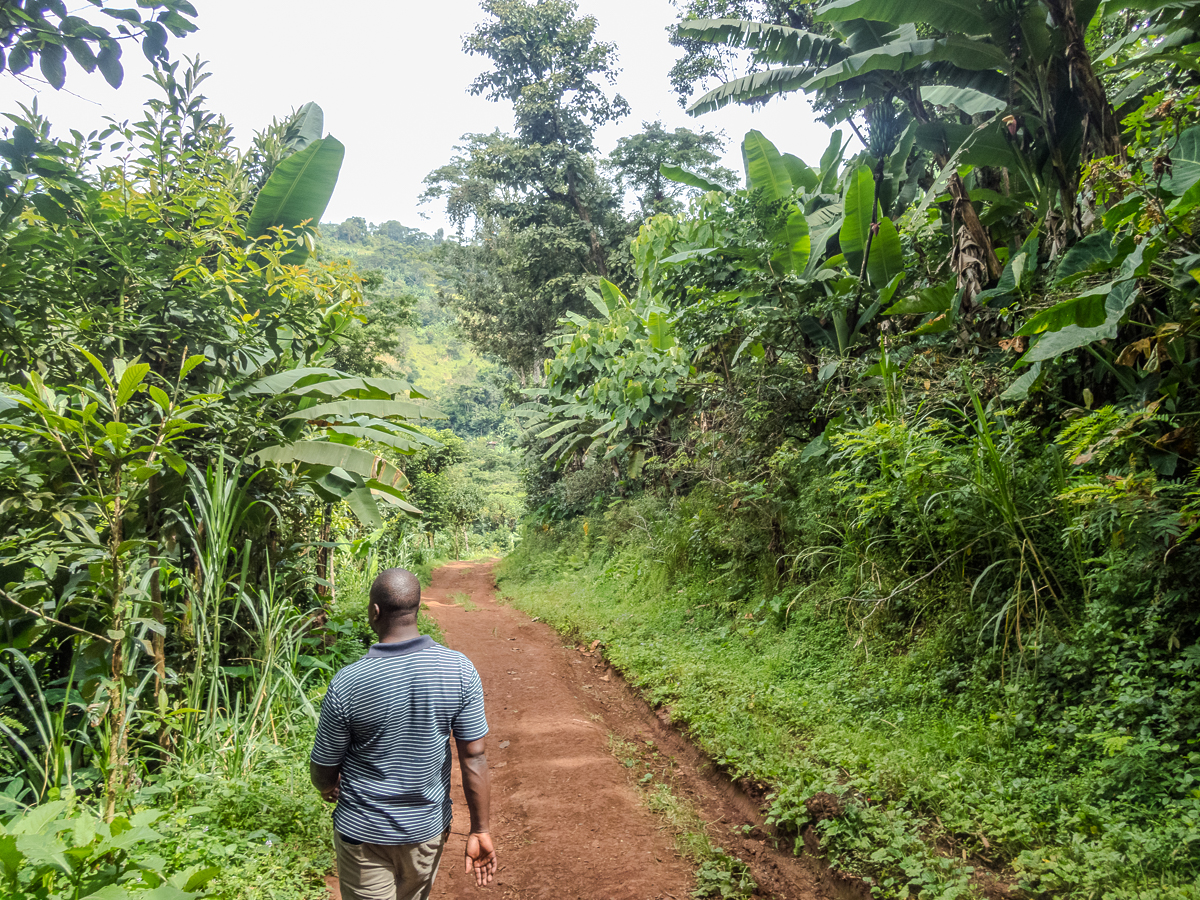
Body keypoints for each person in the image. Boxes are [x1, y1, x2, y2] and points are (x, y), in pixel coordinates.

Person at [310, 567, 496, 899]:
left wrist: (327, 785)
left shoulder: (348, 682)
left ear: (375, 611)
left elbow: (325, 764)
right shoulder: (459, 669)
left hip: (363, 834)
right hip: (426, 832)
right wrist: (480, 829)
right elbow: (474, 757)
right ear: (416, 608)